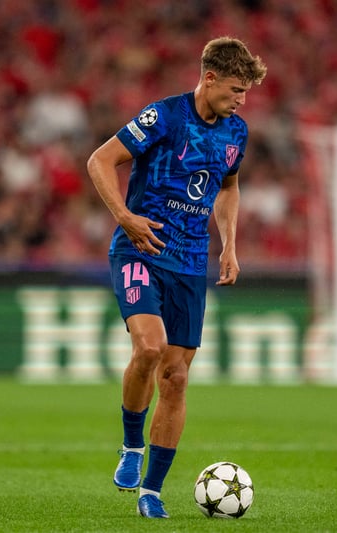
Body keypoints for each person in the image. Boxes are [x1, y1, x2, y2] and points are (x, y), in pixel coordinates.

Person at [86, 36, 267, 519]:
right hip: (141, 249)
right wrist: (125, 217)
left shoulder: (237, 133)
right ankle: (132, 445)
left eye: (245, 92)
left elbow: (228, 188)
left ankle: (151, 492)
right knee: (149, 348)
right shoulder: (164, 116)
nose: (241, 100)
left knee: (177, 377)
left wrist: (229, 244)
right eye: (235, 89)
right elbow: (100, 160)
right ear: (209, 78)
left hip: (190, 262)